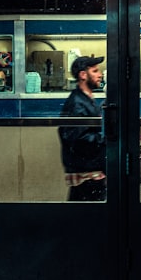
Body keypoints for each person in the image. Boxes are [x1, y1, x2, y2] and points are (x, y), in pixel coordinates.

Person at [58, 55, 106, 201]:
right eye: (95, 71)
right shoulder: (77, 104)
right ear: (83, 75)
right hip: (87, 172)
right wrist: (105, 138)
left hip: (90, 170)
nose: (100, 74)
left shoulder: (86, 100)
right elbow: (79, 140)